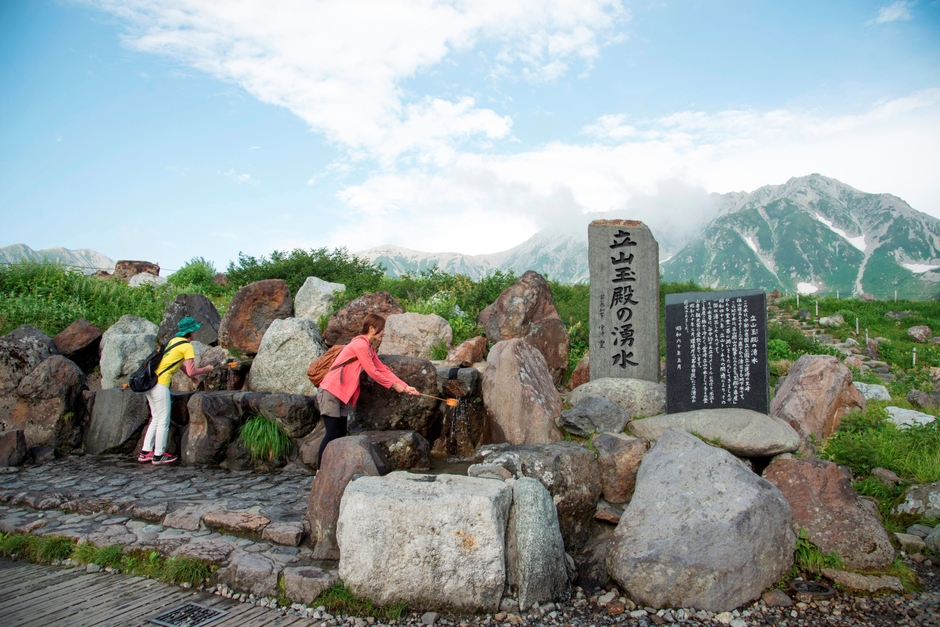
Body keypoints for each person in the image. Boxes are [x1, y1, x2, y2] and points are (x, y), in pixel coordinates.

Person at [315, 312, 420, 469]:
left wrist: (404, 386)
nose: (384, 332)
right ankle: (320, 469)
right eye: (382, 329)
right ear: (371, 328)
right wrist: (393, 385)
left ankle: (334, 468)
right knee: (332, 432)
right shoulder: (360, 345)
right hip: (331, 390)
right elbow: (372, 372)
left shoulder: (368, 347)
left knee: (341, 433)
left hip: (342, 394)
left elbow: (382, 369)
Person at [138, 316, 214, 465]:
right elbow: (192, 371)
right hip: (161, 385)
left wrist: (189, 375)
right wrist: (206, 369)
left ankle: (145, 452)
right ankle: (159, 455)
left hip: (150, 383)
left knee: (155, 418)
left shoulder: (173, 342)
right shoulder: (187, 346)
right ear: (191, 332)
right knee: (163, 420)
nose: (196, 333)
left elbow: (176, 363)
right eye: (195, 330)